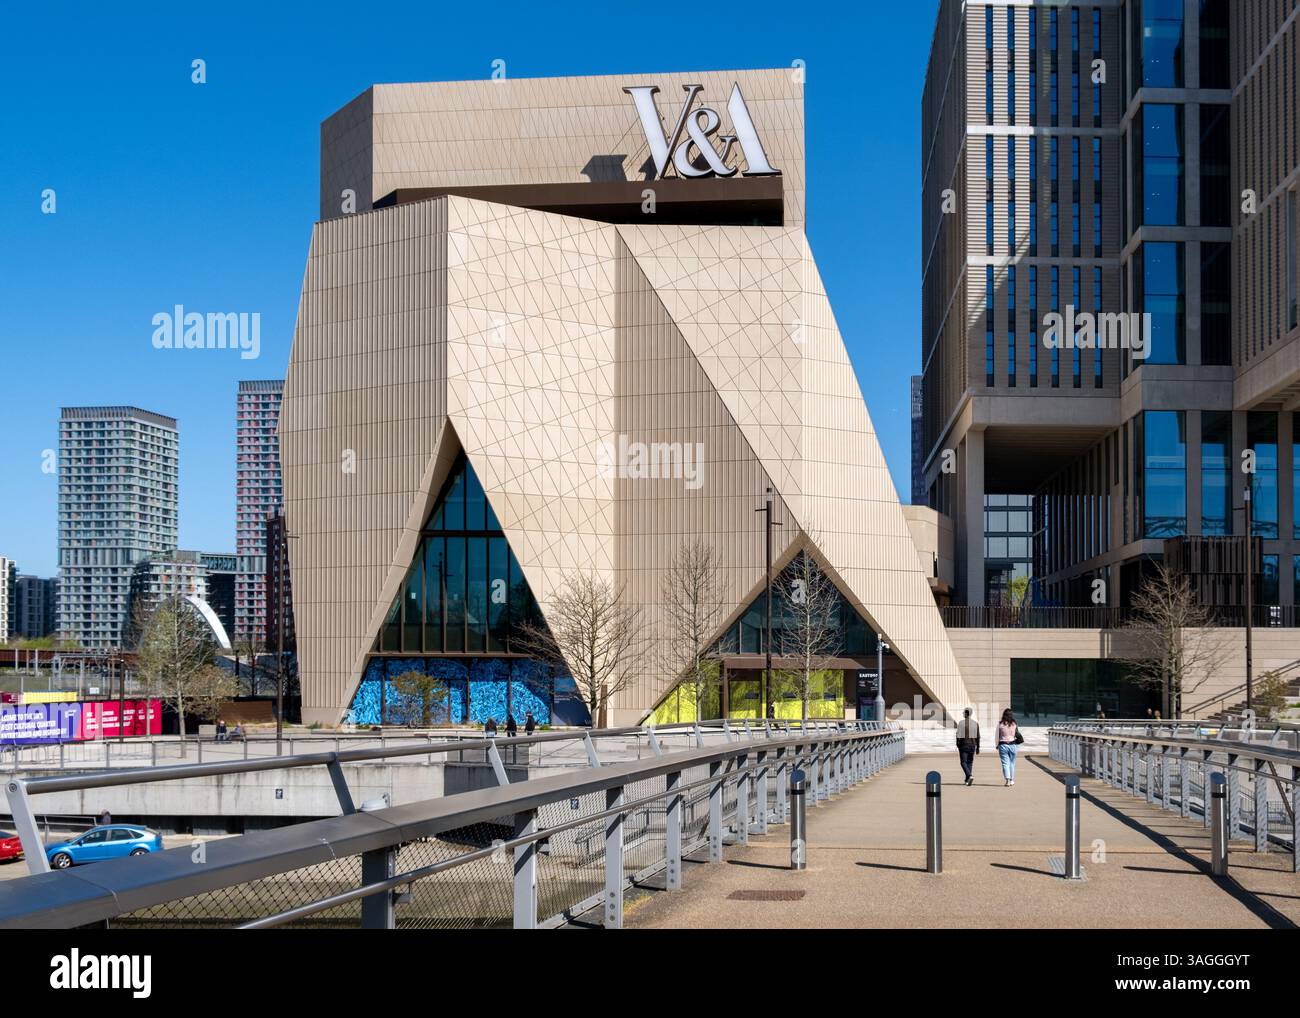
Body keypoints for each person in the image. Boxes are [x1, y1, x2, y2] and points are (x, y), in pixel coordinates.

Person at [955, 708, 980, 786]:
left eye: (963, 713)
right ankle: (967, 779)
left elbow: (958, 735)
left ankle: (969, 775)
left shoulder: (961, 723)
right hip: (972, 745)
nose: (963, 714)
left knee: (963, 762)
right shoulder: (975, 723)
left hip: (964, 744)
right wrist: (978, 747)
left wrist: (958, 744)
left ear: (966, 713)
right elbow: (978, 736)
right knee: (970, 762)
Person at [996, 709, 1021, 786]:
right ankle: (1012, 779)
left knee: (1005, 763)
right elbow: (1017, 734)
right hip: (1013, 745)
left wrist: (997, 745)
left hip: (1003, 745)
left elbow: (997, 735)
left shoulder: (1000, 724)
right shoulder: (1014, 724)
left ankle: (1007, 780)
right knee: (1012, 763)